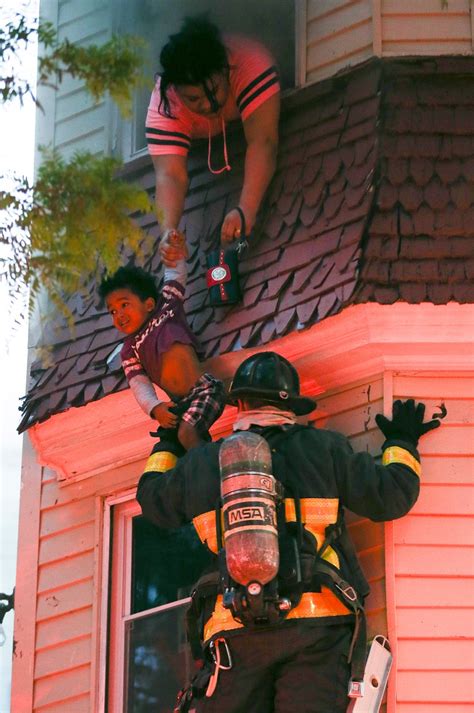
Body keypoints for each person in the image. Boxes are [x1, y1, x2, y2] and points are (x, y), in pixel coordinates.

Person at [136, 351, 441, 713]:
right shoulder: (321, 448)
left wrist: (167, 446)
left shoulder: (203, 463)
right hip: (317, 624)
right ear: (292, 407)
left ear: (240, 403)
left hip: (235, 631)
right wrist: (402, 442)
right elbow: (390, 497)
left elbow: (152, 501)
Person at [146, 15, 280, 270]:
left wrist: (246, 210)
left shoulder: (250, 61)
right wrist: (168, 232)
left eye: (215, 89)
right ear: (175, 91)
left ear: (224, 68)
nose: (209, 104)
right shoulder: (165, 103)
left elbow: (264, 141)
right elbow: (170, 176)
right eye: (194, 99)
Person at [99, 242, 226, 451]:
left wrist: (173, 245)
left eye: (124, 304)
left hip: (204, 388)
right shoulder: (129, 350)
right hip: (179, 405)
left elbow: (175, 275)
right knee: (176, 447)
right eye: (112, 311)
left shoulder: (166, 307)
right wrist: (155, 407)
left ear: (149, 304)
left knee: (188, 433)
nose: (118, 314)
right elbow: (140, 386)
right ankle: (208, 463)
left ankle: (208, 469)